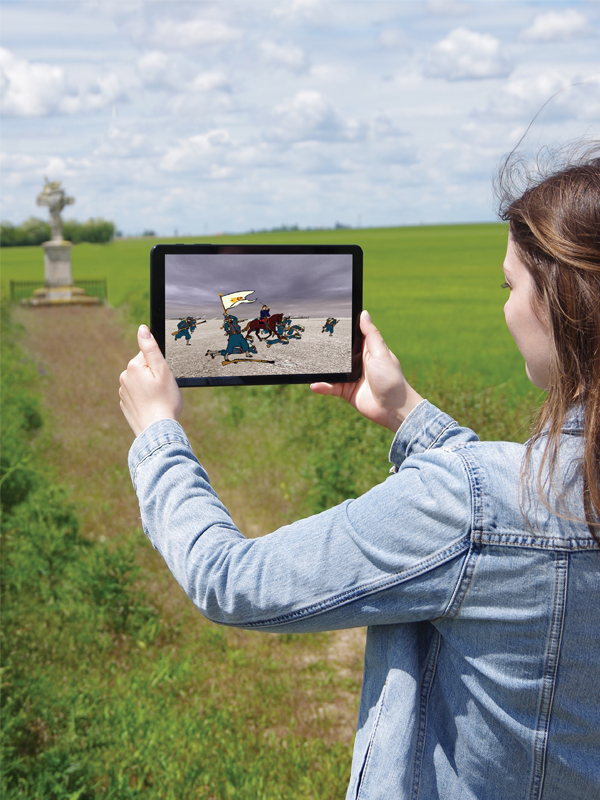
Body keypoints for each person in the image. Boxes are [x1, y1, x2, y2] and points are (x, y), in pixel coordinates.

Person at [119, 145, 600, 799]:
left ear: (559, 301)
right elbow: (520, 520)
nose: (507, 307)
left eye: (510, 285)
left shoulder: (470, 502)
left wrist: (158, 435)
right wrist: (404, 409)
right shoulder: (523, 497)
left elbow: (230, 581)